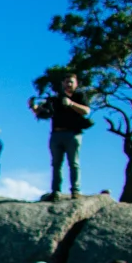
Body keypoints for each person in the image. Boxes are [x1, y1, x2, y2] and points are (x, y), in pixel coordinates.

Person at [30, 73, 92, 201]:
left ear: (76, 84)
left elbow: (86, 111)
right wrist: (33, 106)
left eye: (71, 82)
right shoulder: (55, 99)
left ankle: (75, 190)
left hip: (73, 134)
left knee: (74, 163)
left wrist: (71, 104)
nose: (69, 84)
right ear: (62, 84)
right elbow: (42, 113)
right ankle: (56, 191)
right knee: (56, 164)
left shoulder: (80, 96)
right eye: (66, 82)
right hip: (56, 134)